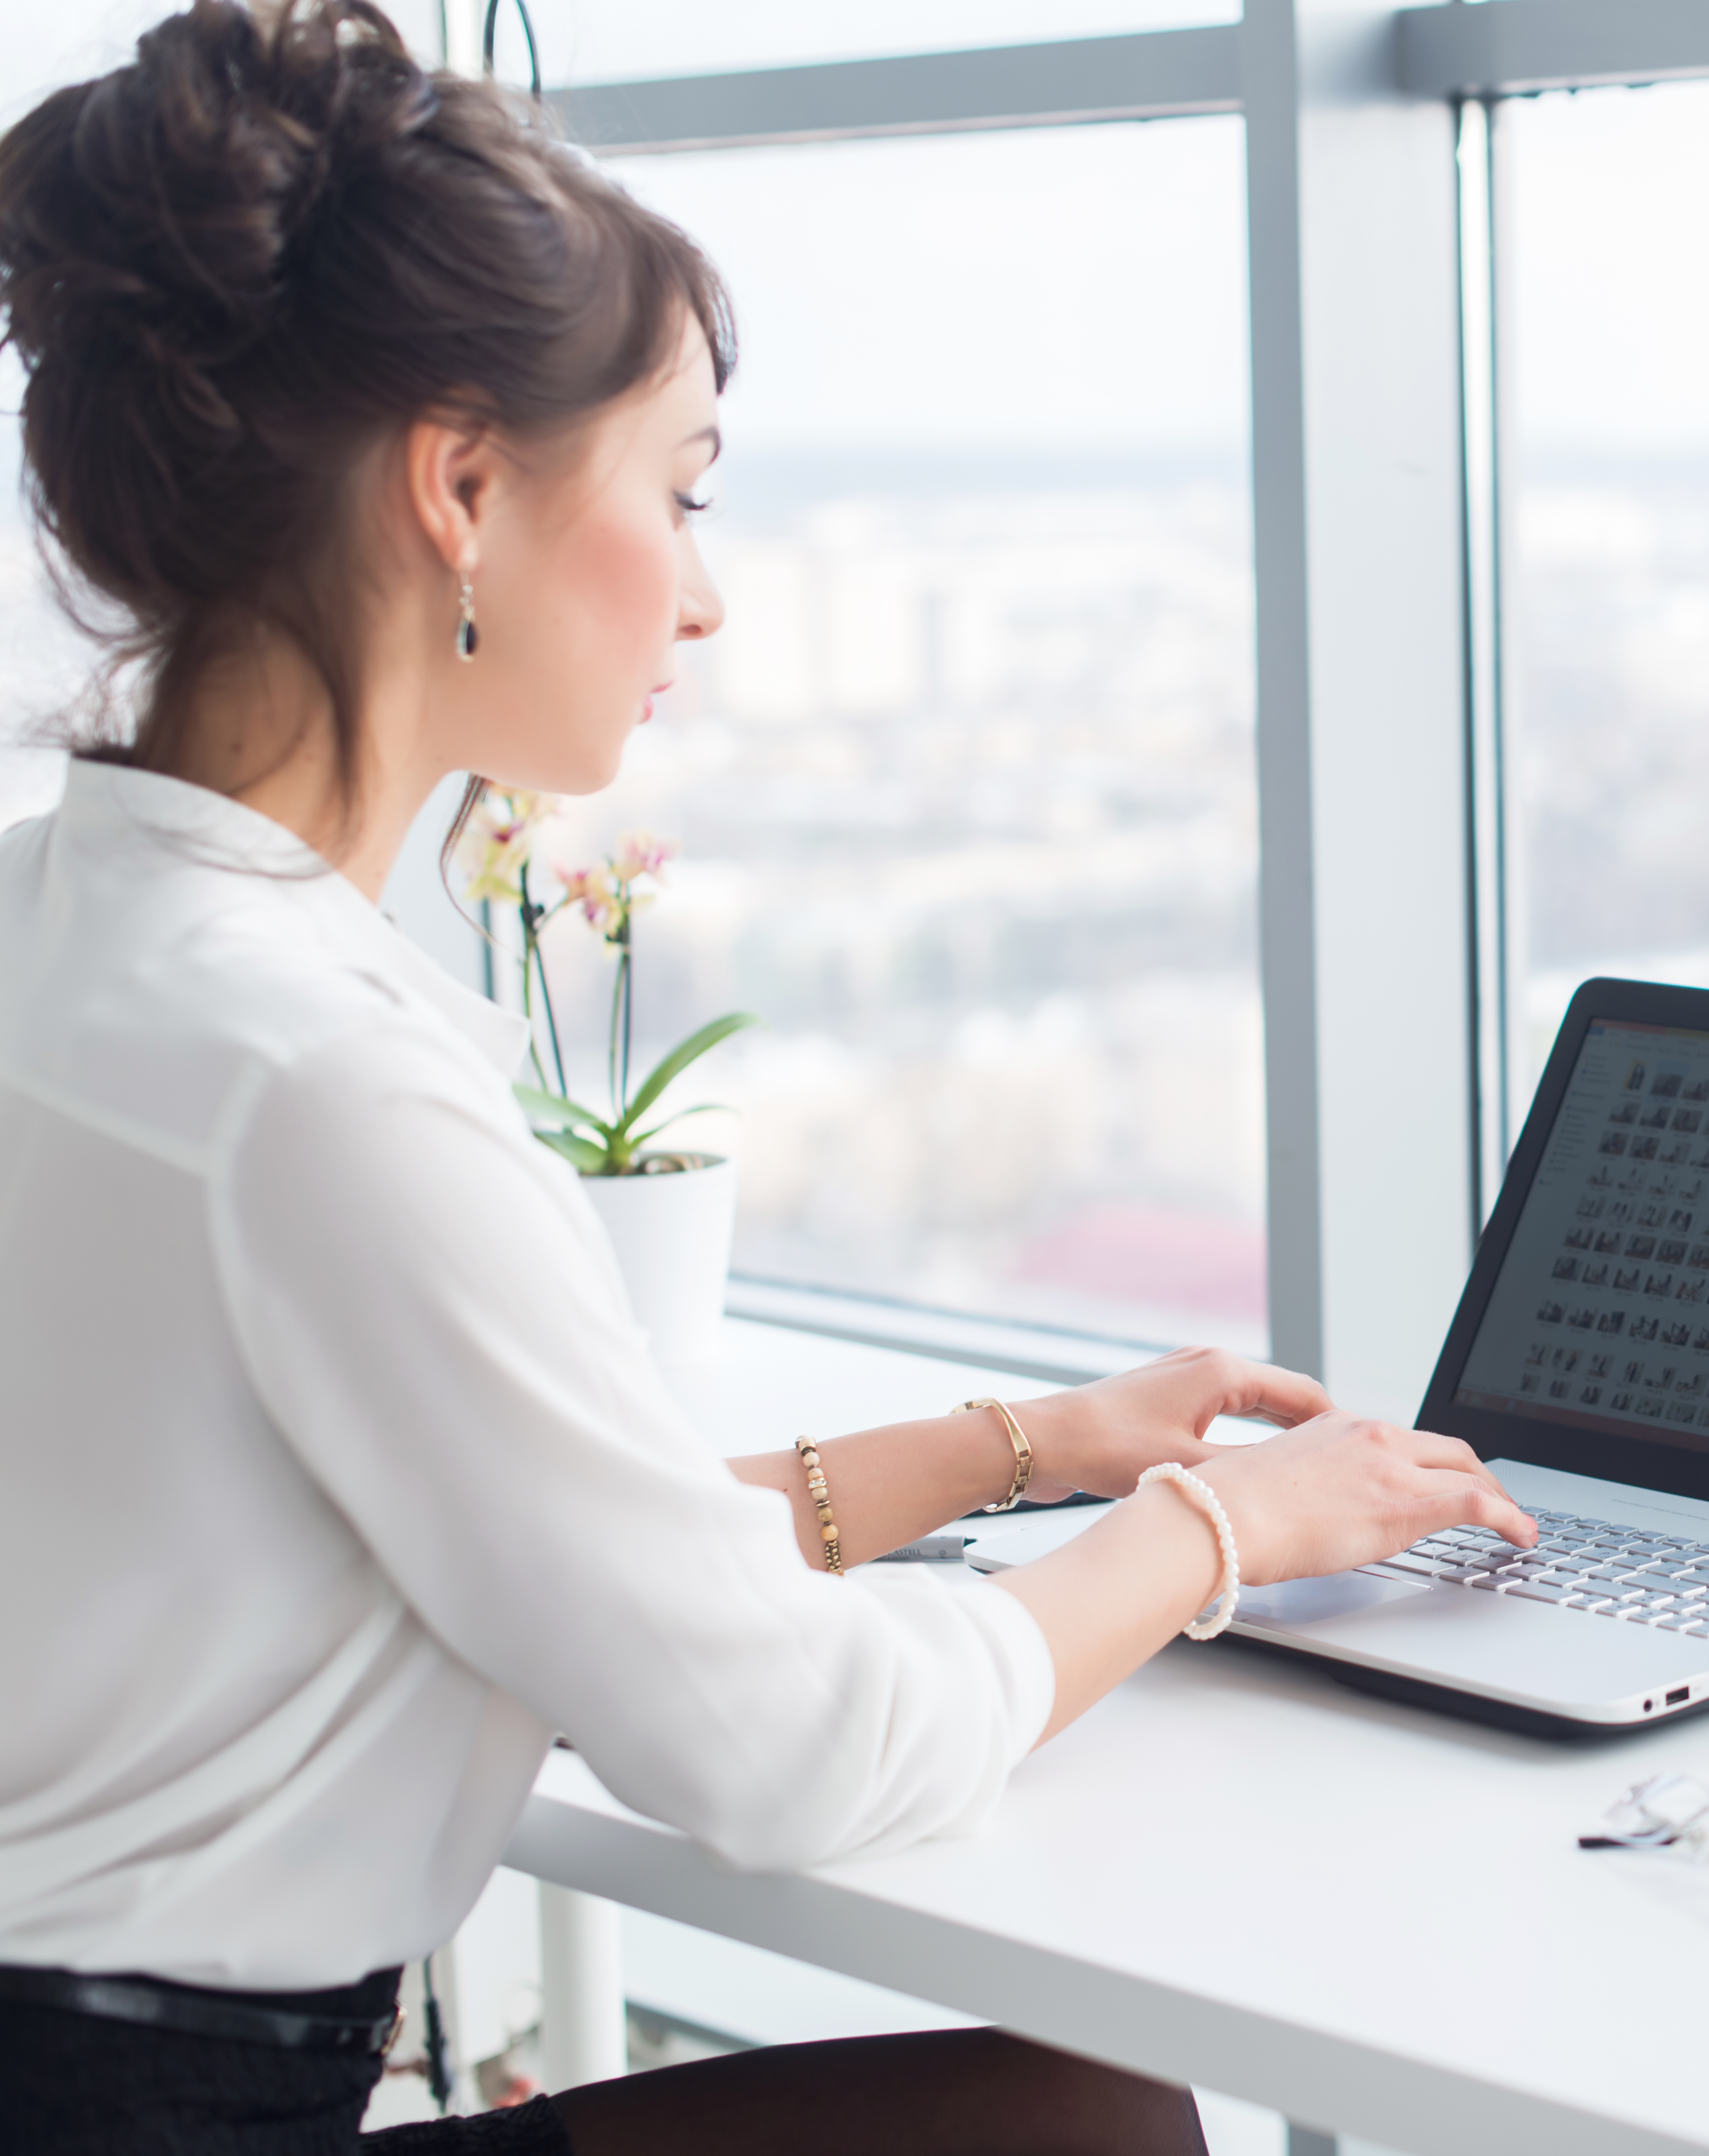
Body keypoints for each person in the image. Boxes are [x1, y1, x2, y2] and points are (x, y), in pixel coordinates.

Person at [0, 5, 1536, 2151]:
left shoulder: (66, 928)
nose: (702, 600)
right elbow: (787, 1746)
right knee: (1073, 2123)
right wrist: (1215, 1530)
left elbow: (532, 1539)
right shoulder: (315, 1085)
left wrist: (1019, 1445)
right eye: (679, 492)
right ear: (459, 491)